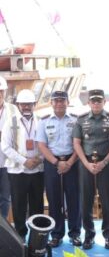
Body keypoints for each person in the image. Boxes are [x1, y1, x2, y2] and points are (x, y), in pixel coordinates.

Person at [73, 89, 109, 250]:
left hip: (107, 164)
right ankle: (89, 236)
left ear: (104, 102)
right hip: (86, 164)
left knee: (108, 202)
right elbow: (77, 143)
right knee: (86, 202)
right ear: (89, 102)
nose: (96, 104)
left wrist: (104, 162)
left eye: (99, 101)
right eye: (93, 101)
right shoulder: (81, 120)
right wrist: (86, 163)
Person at [36, 91, 81, 247]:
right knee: (54, 200)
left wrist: (69, 163)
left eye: (62, 100)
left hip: (72, 163)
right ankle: (56, 235)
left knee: (74, 199)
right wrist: (57, 163)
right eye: (56, 101)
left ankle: (75, 234)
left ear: (68, 102)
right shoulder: (43, 122)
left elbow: (79, 144)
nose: (59, 103)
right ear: (51, 103)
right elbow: (41, 145)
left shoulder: (76, 121)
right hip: (52, 164)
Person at [1, 89, 44, 240]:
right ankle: (20, 236)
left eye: (29, 104)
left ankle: (37, 235)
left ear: (34, 104)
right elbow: (5, 146)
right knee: (19, 205)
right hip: (17, 171)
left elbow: (47, 145)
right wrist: (24, 161)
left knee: (37, 205)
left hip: (38, 170)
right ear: (18, 104)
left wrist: (39, 159)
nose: (26, 107)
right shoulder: (10, 121)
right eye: (23, 104)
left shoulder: (41, 121)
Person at [0, 76, 18, 219]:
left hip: (7, 162)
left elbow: (18, 132)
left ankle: (3, 231)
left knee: (5, 198)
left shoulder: (13, 109)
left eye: (1, 91)